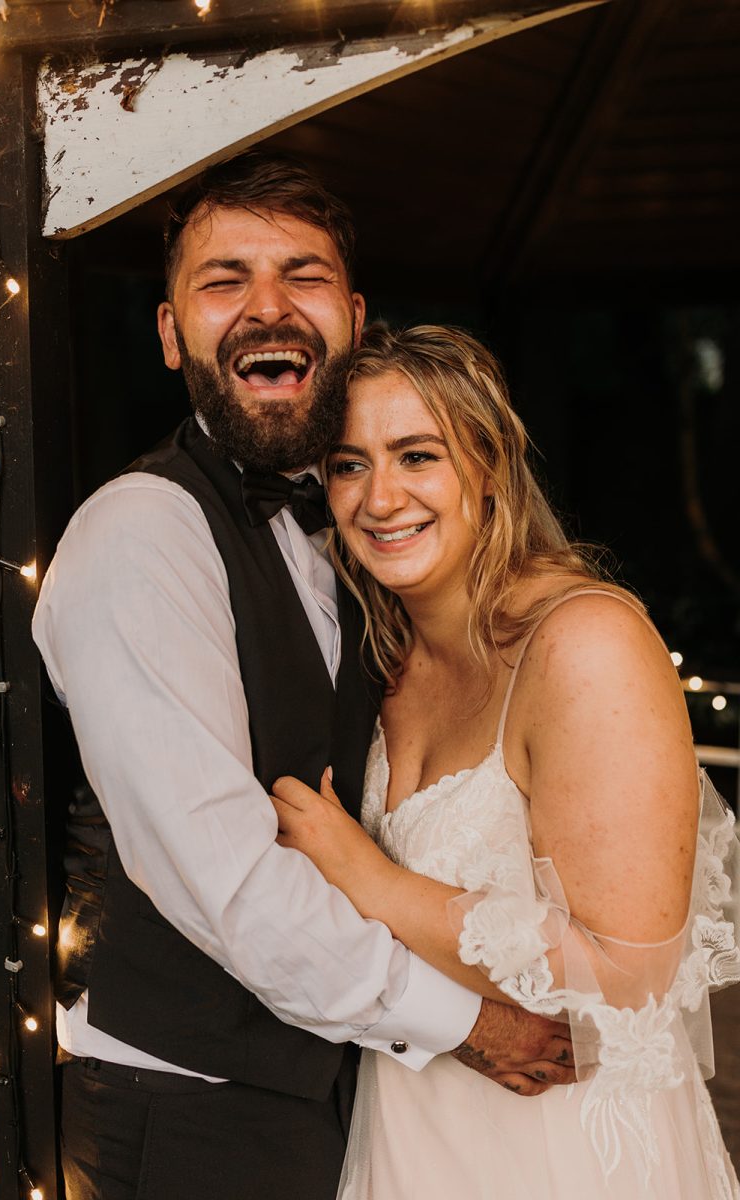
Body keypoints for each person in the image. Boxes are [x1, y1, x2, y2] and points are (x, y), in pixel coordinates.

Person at [32, 156, 574, 1200]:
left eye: (302, 275)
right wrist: (466, 1024)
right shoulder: (140, 535)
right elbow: (224, 881)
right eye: (223, 278)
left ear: (355, 319)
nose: (265, 307)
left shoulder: (357, 533)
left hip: (346, 1087)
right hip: (189, 1104)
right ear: (168, 331)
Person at [271, 323, 740, 1199]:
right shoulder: (380, 659)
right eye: (347, 464)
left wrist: (369, 880)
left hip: (564, 1147)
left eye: (417, 455)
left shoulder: (584, 644)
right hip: (413, 1127)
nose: (380, 498)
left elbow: (632, 971)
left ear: (488, 467)